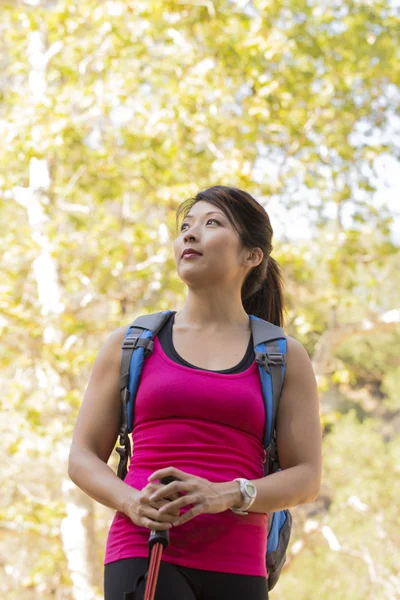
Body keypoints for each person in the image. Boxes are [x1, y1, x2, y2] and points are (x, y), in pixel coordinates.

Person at [68, 185, 322, 600]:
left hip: (239, 563)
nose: (189, 234)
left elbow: (306, 477)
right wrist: (132, 503)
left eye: (211, 224)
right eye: (185, 227)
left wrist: (226, 494)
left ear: (251, 255)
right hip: (144, 549)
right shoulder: (131, 344)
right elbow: (81, 456)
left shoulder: (282, 357)